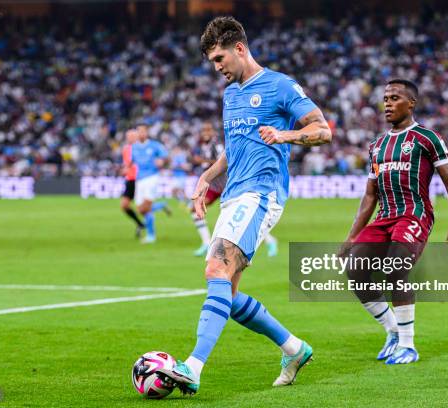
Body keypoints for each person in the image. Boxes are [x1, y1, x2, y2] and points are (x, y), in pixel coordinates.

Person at [158, 16, 332, 394]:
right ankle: (294, 348)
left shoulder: (280, 85)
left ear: (239, 48)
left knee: (215, 267)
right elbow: (233, 149)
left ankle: (192, 367)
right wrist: (206, 177)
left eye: (219, 58)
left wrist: (285, 134)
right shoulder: (230, 95)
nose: (217, 68)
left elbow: (323, 130)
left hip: (262, 193)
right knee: (229, 295)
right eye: (212, 62)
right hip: (235, 193)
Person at [343, 79, 448, 365]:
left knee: (395, 269)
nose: (387, 103)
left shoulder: (427, 138)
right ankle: (393, 331)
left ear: (411, 103)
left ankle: (409, 347)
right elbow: (369, 195)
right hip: (384, 218)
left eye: (395, 98)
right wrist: (351, 236)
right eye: (385, 98)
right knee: (354, 270)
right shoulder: (377, 146)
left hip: (414, 214)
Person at [191, 121, 279, 257]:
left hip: (229, 183)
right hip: (215, 185)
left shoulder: (217, 145)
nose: (205, 133)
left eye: (208, 130)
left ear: (212, 132)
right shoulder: (202, 145)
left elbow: (226, 161)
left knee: (245, 215)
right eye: (204, 130)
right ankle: (206, 242)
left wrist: (203, 161)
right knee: (194, 210)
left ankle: (270, 240)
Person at [132, 124, 171, 244]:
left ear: (147, 133)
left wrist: (162, 161)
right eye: (139, 131)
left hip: (152, 177)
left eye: (143, 131)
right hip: (139, 179)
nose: (141, 134)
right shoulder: (134, 147)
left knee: (146, 207)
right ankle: (161, 205)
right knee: (140, 209)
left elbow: (166, 158)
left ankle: (151, 235)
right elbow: (132, 162)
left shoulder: (155, 145)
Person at [120, 129, 145, 237]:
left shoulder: (141, 148)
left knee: (143, 207)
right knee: (124, 206)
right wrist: (124, 170)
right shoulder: (125, 149)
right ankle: (140, 224)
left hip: (139, 179)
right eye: (128, 136)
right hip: (130, 180)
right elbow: (126, 164)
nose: (129, 138)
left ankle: (150, 232)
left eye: (132, 136)